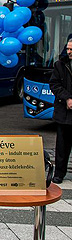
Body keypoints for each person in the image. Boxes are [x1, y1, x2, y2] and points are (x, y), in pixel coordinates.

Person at [49, 38, 72, 184]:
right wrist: (67, 98)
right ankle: (59, 173)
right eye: (68, 49)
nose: (69, 52)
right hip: (64, 112)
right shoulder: (60, 64)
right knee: (62, 145)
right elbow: (54, 84)